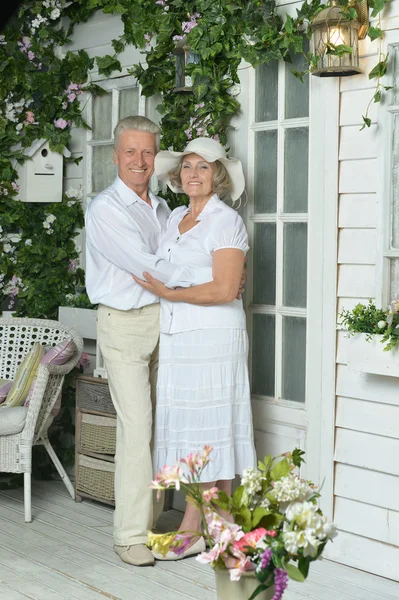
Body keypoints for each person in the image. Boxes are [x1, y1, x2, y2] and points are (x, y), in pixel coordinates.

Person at [85, 116, 214, 567]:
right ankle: (128, 535)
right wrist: (216, 282)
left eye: (147, 152)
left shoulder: (163, 209)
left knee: (162, 427)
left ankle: (152, 523)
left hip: (168, 319)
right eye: (130, 152)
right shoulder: (105, 209)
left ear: (156, 157)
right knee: (137, 426)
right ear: (115, 155)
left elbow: (182, 255)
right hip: (124, 323)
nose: (139, 161)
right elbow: (147, 266)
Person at [133, 137, 257, 560]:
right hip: (179, 333)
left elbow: (224, 289)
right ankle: (220, 527)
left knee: (210, 429)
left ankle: (194, 526)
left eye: (203, 167)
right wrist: (166, 290)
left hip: (212, 335)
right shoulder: (177, 218)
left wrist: (172, 291)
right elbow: (165, 270)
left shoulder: (225, 222)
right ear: (177, 175)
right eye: (187, 166)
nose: (193, 174)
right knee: (196, 431)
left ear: (217, 176)